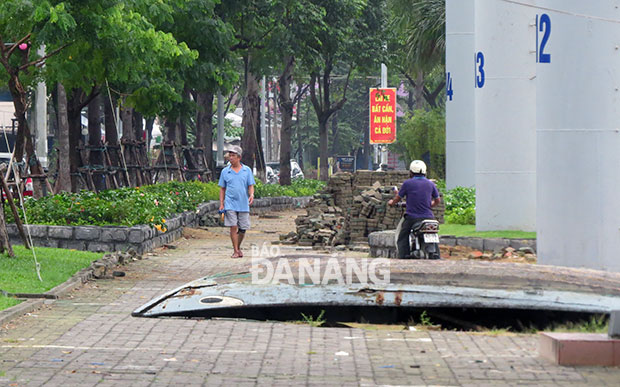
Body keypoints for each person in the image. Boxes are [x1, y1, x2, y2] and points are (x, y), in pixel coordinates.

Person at [388, 160, 441, 259]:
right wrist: (429, 206)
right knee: (433, 233)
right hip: (429, 217)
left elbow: (398, 198)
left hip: (412, 217)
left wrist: (392, 202)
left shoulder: (407, 183)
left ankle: (404, 256)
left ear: (411, 172)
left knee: (402, 236)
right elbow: (437, 200)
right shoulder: (430, 184)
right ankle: (436, 254)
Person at [218, 145, 256, 258]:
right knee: (233, 226)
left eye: (233, 156)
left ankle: (238, 247)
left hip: (243, 203)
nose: (231, 158)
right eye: (230, 155)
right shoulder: (225, 172)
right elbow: (222, 189)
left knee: (243, 228)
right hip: (230, 203)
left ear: (239, 157)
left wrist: (251, 194)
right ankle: (235, 250)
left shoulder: (246, 170)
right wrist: (221, 203)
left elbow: (250, 185)